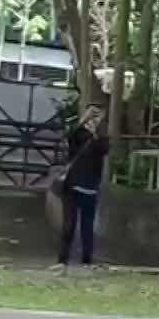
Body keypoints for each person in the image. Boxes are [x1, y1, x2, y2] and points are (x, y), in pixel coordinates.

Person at [56, 104, 110, 267]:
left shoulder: (101, 138)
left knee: (87, 227)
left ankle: (86, 260)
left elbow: (104, 149)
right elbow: (69, 136)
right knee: (69, 225)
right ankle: (62, 260)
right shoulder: (78, 134)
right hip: (72, 186)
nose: (95, 119)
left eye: (98, 116)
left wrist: (95, 132)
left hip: (91, 188)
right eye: (92, 115)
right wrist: (83, 120)